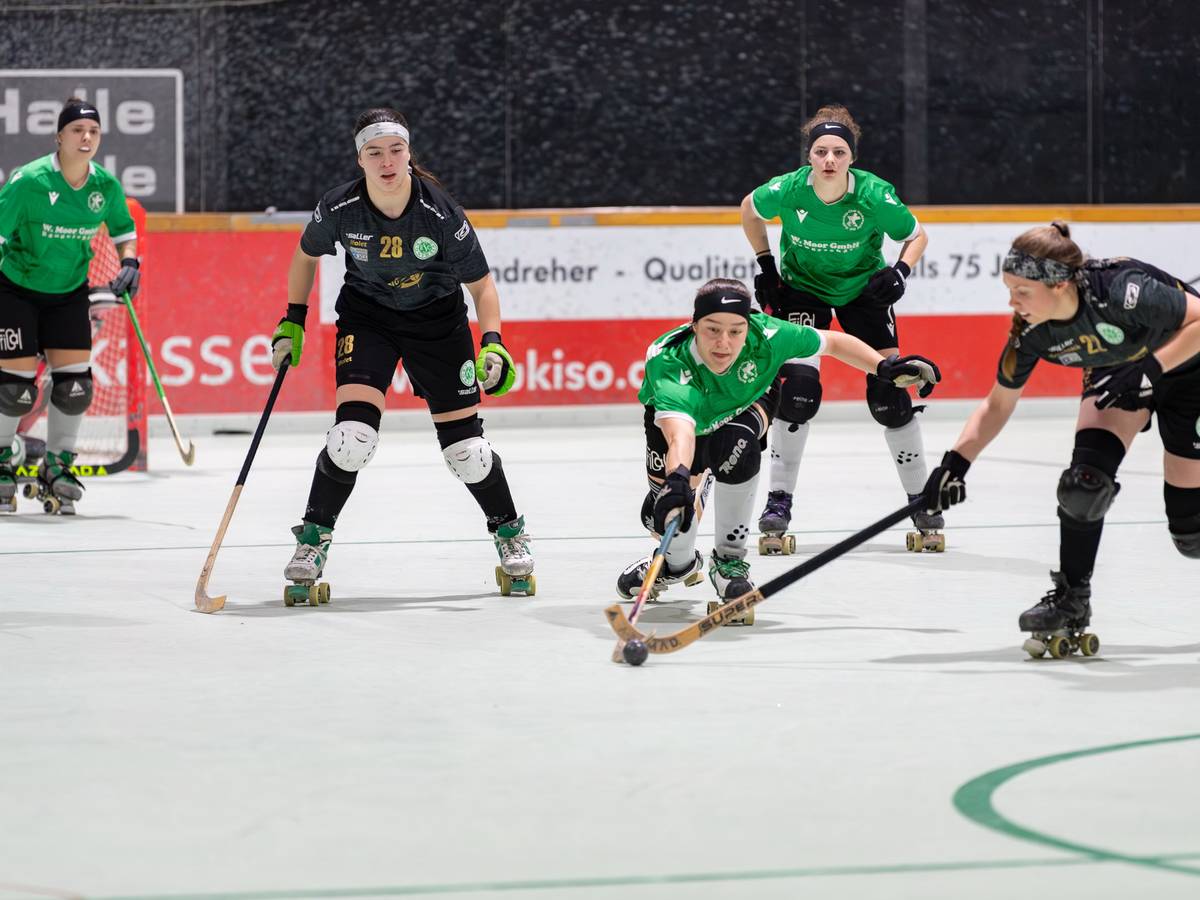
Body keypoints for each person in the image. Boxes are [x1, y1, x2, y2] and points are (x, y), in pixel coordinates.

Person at [271, 107, 534, 601]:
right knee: (351, 438)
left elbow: (482, 287)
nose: (387, 161)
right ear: (360, 159)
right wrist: (292, 319)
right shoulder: (340, 208)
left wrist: (493, 342)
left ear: (409, 154)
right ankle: (312, 541)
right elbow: (306, 255)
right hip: (368, 318)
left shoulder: (439, 212)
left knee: (468, 454)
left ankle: (509, 532)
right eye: (375, 153)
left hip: (437, 324)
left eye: (395, 150)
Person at [923, 221, 1200, 657]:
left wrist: (1151, 372)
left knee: (1192, 537)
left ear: (1060, 285)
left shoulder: (1122, 290)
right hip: (1119, 374)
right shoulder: (1030, 333)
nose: (1012, 303)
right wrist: (954, 464)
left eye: (1022, 292)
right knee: (1083, 485)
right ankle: (1072, 598)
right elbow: (997, 405)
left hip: (1190, 370)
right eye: (1008, 289)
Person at [617, 277, 940, 621]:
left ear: (749, 326)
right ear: (694, 326)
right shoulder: (668, 361)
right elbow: (681, 433)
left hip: (745, 404)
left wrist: (883, 368)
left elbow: (832, 342)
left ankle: (729, 564)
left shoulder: (769, 336)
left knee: (736, 447)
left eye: (736, 331)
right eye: (712, 330)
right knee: (665, 517)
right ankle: (677, 565)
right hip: (683, 424)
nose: (724, 343)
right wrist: (680, 478)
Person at [740, 104, 938, 552]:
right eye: (821, 151)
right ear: (810, 156)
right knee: (797, 393)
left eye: (839, 152)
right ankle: (778, 502)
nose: (829, 159)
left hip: (861, 292)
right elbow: (748, 210)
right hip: (801, 290)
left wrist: (901, 272)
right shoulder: (789, 189)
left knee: (890, 394)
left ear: (851, 158)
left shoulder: (873, 195)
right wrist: (766, 264)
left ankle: (922, 499)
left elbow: (918, 233)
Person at [0, 97, 140, 514]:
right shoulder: (29, 181)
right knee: (15, 390)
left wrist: (130, 261)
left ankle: (58, 468)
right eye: (78, 130)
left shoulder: (104, 187)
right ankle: (3, 461)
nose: (86, 137)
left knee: (75, 387)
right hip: (17, 289)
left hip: (68, 292)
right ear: (59, 136)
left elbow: (123, 230)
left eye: (94, 131)